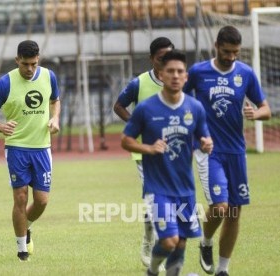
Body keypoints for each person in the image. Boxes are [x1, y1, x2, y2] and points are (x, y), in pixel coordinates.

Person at [183, 25, 271, 276]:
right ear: (216, 46)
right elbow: (178, 100)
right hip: (209, 150)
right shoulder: (199, 72)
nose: (231, 57)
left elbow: (266, 108)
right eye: (226, 51)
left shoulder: (246, 74)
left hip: (236, 152)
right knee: (221, 207)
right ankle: (206, 241)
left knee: (234, 211)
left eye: (235, 52)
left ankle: (223, 269)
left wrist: (256, 113)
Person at [121, 50, 213, 276]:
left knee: (181, 243)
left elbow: (204, 137)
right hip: (157, 189)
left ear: (186, 77)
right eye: (170, 71)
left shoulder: (195, 108)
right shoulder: (146, 108)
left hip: (185, 189)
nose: (175, 75)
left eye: (180, 71)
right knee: (170, 240)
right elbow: (126, 140)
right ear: (161, 74)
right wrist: (149, 148)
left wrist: (206, 144)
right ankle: (152, 269)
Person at [0, 40, 61, 261]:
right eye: (25, 64)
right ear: (17, 60)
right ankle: (21, 250)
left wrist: (55, 118)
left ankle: (27, 226)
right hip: (16, 147)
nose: (29, 69)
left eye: (33, 64)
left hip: (42, 148)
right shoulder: (5, 83)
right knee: (20, 197)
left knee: (42, 200)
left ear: (39, 61)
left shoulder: (48, 77)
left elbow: (55, 100)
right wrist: (0, 126)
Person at [113, 37, 174, 269]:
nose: (165, 62)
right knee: (153, 200)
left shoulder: (179, 81)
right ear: (152, 59)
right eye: (161, 58)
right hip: (145, 153)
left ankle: (159, 239)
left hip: (173, 154)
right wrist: (136, 124)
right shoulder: (139, 83)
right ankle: (151, 241)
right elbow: (118, 106)